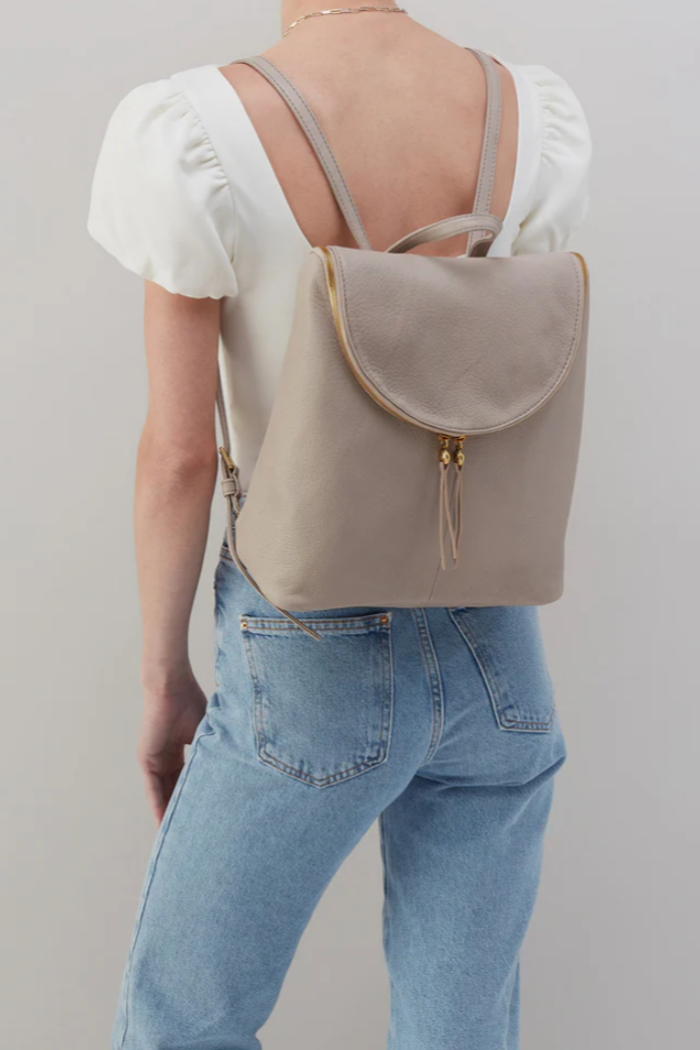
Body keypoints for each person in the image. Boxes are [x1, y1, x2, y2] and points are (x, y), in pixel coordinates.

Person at [87, 4, 591, 1048]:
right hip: (496, 646)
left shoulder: (197, 129)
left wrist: (164, 678)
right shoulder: (528, 111)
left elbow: (181, 456)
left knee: (179, 1021)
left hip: (306, 652)